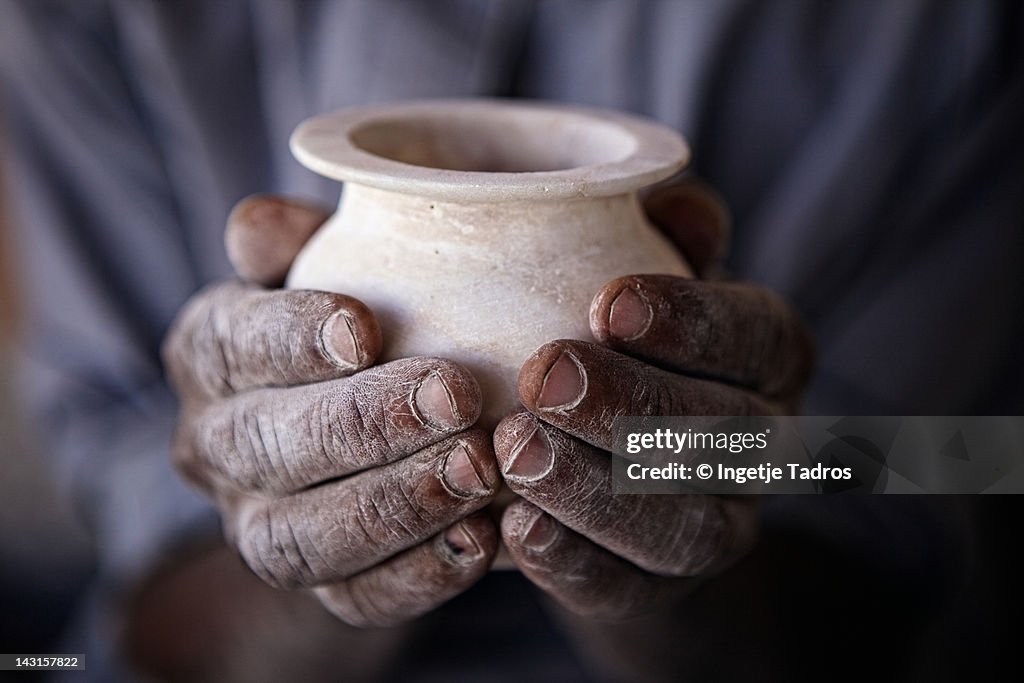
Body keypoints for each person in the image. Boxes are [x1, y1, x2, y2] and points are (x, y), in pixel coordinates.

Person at [0, 1, 1021, 681]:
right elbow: (136, 583)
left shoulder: (953, 27)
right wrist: (283, 551)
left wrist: (742, 493)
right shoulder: (84, 18)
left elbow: (949, 473)